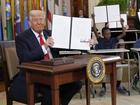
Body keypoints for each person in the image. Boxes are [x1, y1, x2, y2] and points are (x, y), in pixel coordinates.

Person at [10, 10, 82, 105]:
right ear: (29, 22)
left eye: (41, 19)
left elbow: (67, 46)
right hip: (34, 76)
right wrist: (44, 46)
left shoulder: (50, 33)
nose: (39, 22)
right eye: (36, 20)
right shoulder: (22, 38)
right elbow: (25, 58)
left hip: (54, 72)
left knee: (76, 84)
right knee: (51, 91)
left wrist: (85, 43)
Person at [92, 14, 127, 96]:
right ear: (103, 34)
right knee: (102, 66)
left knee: (119, 66)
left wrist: (122, 24)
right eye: (106, 34)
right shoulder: (100, 39)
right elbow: (94, 30)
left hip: (113, 59)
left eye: (109, 34)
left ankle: (118, 85)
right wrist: (93, 18)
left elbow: (124, 34)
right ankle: (103, 87)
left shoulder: (113, 40)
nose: (108, 35)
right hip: (103, 59)